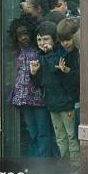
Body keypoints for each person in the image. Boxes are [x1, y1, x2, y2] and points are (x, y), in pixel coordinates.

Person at [29, 21, 80, 159]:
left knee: (72, 136)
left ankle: (76, 165)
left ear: (54, 39)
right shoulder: (41, 56)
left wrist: (51, 53)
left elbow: (57, 71)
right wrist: (34, 73)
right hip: (52, 103)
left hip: (67, 102)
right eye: (39, 39)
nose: (42, 43)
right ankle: (66, 163)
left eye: (45, 39)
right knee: (60, 137)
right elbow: (41, 83)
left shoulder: (62, 53)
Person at [8, 15, 54, 157]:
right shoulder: (18, 51)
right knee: (32, 131)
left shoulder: (39, 50)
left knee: (43, 132)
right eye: (19, 35)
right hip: (23, 97)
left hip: (40, 97)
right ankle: (34, 161)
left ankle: (42, 162)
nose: (23, 38)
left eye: (26, 33)